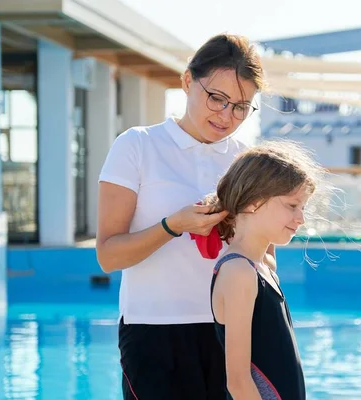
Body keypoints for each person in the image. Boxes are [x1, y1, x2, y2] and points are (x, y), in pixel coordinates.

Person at [96, 33, 271, 399]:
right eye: (217, 98)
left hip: (229, 334)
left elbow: (265, 259)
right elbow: (109, 255)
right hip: (153, 332)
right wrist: (173, 225)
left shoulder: (246, 159)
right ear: (188, 81)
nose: (226, 116)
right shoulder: (137, 145)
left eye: (241, 106)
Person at [208, 141, 326, 400]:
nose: (301, 218)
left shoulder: (263, 265)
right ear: (253, 203)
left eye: (303, 207)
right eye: (292, 205)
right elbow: (238, 381)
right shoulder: (239, 273)